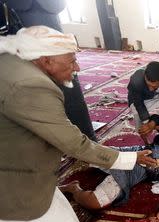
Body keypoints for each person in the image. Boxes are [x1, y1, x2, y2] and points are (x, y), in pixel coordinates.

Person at [0, 26, 156, 222]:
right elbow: (75, 144)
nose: (78, 67)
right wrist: (132, 157)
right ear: (46, 60)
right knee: (42, 219)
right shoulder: (32, 86)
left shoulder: (11, 62)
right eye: (71, 60)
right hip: (16, 177)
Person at [60, 115, 159, 210]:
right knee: (86, 153)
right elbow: (158, 120)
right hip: (132, 152)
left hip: (135, 172)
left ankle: (74, 188)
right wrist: (152, 124)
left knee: (93, 203)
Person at [7, 0, 98, 141]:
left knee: (65, 74)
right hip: (12, 9)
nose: (78, 67)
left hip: (38, 7)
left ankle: (86, 137)